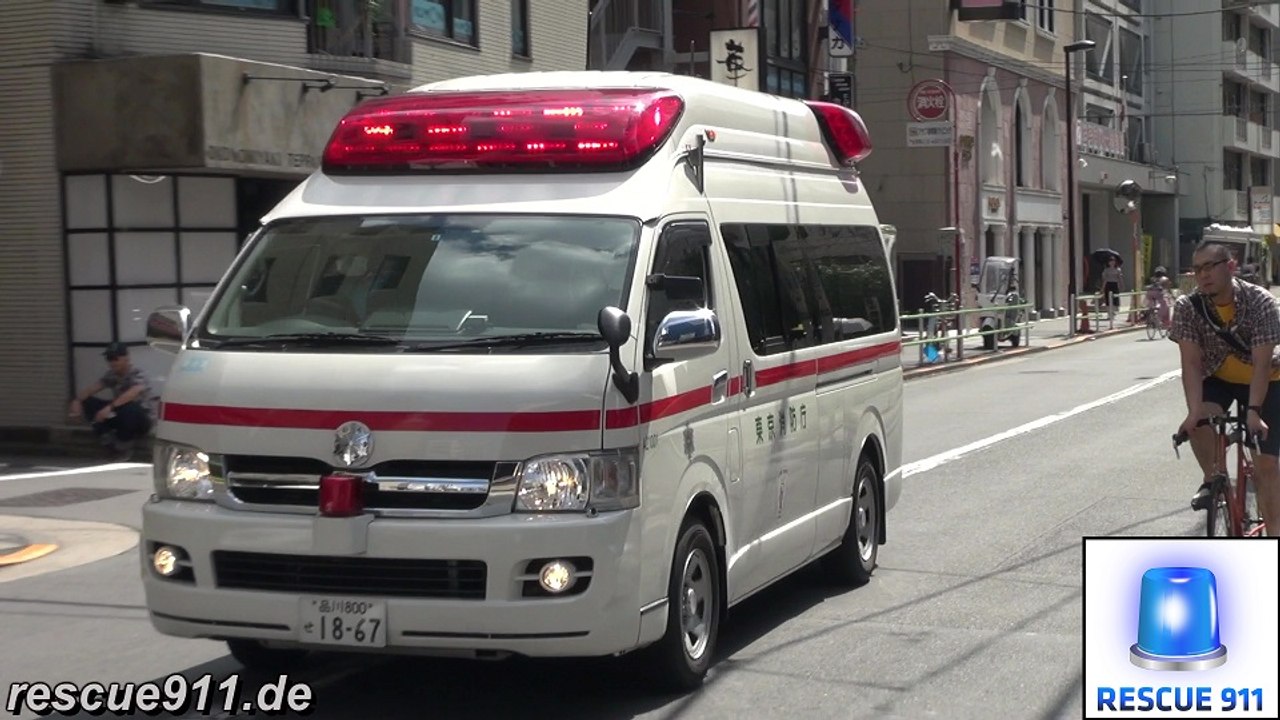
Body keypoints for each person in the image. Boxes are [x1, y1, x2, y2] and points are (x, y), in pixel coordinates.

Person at [1169, 241, 1280, 536]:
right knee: (1199, 422)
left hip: (1266, 378)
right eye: (1197, 269)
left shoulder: (1260, 302)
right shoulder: (1188, 307)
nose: (1202, 275)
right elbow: (1191, 363)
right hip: (1218, 376)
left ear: (1230, 266)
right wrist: (1193, 413)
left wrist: (1254, 412)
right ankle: (1213, 478)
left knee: (1266, 465)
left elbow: (1262, 363)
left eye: (1210, 266)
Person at [67, 342, 153, 460]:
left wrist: (110, 407)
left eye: (115, 358)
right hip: (120, 415)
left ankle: (124, 447)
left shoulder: (138, 374)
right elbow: (93, 388)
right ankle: (107, 439)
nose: (112, 362)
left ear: (126, 358)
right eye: (109, 359)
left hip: (140, 420)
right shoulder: (112, 375)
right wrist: (76, 401)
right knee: (88, 402)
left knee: (130, 407)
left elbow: (133, 392)